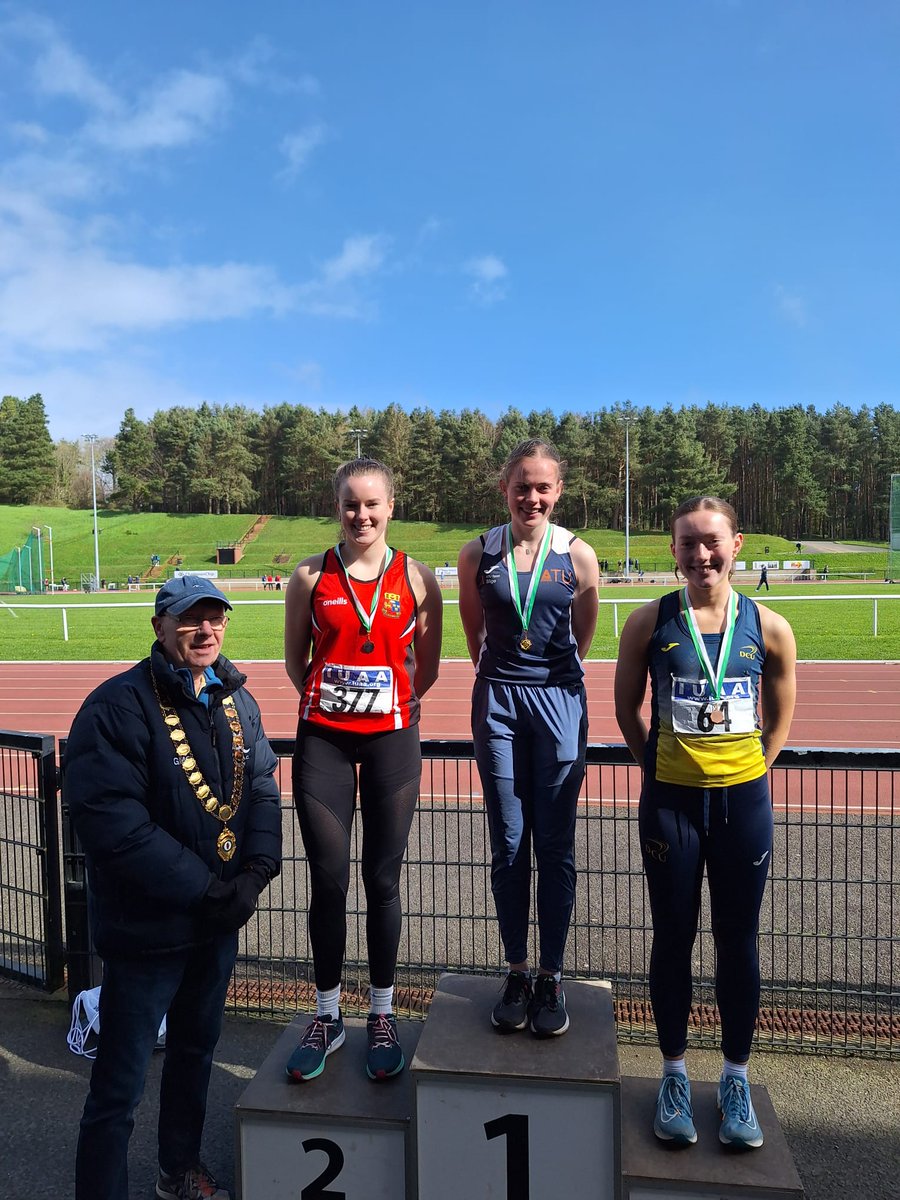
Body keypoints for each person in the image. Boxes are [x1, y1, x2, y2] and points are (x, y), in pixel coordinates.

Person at [65, 574, 282, 1200]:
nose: (206, 630)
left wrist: (257, 871)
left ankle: (178, 1170)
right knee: (120, 1085)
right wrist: (205, 889)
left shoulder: (239, 700)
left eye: (216, 618)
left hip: (215, 926)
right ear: (159, 626)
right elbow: (113, 822)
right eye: (191, 619)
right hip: (147, 934)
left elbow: (262, 789)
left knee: (194, 1056)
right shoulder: (116, 706)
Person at [614, 496, 796, 1150]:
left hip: (742, 806)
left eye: (712, 542)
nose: (701, 555)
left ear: (736, 543)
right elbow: (626, 711)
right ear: (673, 549)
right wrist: (662, 772)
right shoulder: (648, 622)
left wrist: (744, 772)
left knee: (737, 942)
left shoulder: (769, 627)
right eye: (688, 543)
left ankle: (736, 1079)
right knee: (672, 938)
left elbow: (778, 720)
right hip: (670, 806)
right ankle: (672, 1076)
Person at [284, 457, 442, 1082]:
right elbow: (297, 662)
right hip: (323, 740)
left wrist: (395, 706)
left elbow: (426, 664)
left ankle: (381, 1013)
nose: (362, 515)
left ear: (391, 507)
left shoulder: (418, 577)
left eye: (372, 504)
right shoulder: (309, 576)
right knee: (328, 879)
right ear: (337, 506)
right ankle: (326, 1016)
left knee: (383, 880)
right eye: (351, 504)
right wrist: (333, 703)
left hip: (391, 743)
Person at [457, 439, 599, 1037]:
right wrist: (505, 679)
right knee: (510, 842)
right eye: (522, 485)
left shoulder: (578, 555)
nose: (531, 496)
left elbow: (583, 636)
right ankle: (516, 969)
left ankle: (552, 975)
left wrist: (548, 684)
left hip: (559, 701)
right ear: (504, 489)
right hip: (498, 701)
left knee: (556, 846)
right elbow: (473, 632)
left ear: (558, 491)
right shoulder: (479, 552)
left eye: (543, 487)